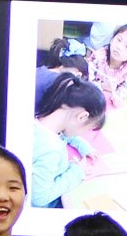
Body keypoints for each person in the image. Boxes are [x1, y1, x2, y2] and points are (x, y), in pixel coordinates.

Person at [31, 73, 108, 215]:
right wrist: (77, 172)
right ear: (82, 116)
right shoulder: (50, 150)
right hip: (48, 211)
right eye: (88, 128)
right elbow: (39, 198)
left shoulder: (42, 120)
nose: (83, 133)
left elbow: (66, 135)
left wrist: (84, 147)